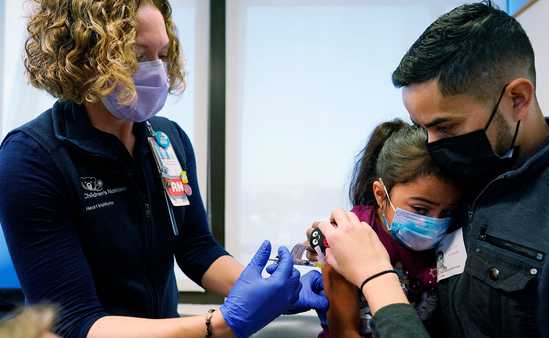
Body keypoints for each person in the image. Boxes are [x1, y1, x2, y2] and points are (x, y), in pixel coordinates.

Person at [0, 1, 327, 337]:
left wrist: (271, 290)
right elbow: (75, 323)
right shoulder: (31, 158)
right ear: (86, 59)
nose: (156, 70)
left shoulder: (166, 140)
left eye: (162, 55)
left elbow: (196, 247)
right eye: (139, 56)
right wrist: (220, 324)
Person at [317, 2, 549, 338]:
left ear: (518, 99)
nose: (434, 147)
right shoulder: (471, 174)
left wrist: (377, 278)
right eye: (422, 128)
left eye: (446, 128)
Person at [313, 120, 460, 338]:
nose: (434, 223)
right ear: (381, 195)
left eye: (447, 213)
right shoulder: (347, 238)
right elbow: (344, 332)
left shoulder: (455, 238)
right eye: (420, 209)